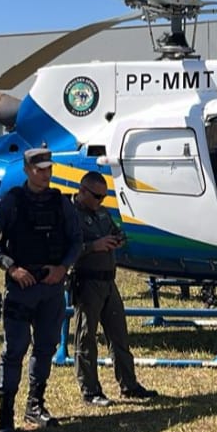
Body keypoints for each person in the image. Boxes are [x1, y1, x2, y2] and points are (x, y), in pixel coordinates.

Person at [0, 148, 81, 432]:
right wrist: (12, 268)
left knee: (46, 346)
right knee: (14, 350)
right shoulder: (11, 202)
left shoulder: (62, 203)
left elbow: (76, 240)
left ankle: (35, 404)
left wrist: (63, 268)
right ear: (26, 169)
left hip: (51, 287)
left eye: (48, 169)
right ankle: (5, 416)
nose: (45, 174)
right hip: (22, 288)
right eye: (39, 169)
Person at [71, 171, 159, 406]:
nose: (101, 201)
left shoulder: (102, 213)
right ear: (83, 191)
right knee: (86, 337)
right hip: (87, 281)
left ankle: (129, 385)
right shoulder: (70, 216)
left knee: (119, 335)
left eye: (104, 196)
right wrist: (93, 246)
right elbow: (65, 250)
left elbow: (115, 231)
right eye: (97, 196)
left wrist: (117, 239)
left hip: (109, 281)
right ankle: (90, 390)